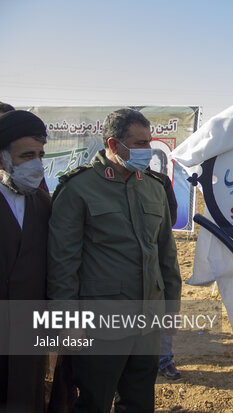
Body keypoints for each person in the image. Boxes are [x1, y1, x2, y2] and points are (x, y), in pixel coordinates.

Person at [47, 108, 182, 412]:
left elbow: (166, 254)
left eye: (149, 142)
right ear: (112, 145)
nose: (148, 150)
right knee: (93, 401)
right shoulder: (78, 189)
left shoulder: (154, 187)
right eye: (139, 144)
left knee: (139, 401)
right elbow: (62, 265)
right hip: (100, 324)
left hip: (147, 321)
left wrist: (171, 306)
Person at [0, 110, 50, 413]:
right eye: (27, 155)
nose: (36, 164)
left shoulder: (44, 204)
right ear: (3, 158)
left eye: (40, 155)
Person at [148, 167, 182, 381]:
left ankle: (163, 360)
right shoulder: (101, 183)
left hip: (156, 253)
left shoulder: (159, 181)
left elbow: (171, 215)